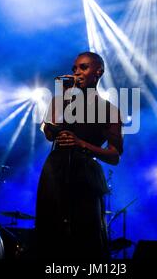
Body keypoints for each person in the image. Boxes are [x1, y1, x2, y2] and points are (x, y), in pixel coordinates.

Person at [36, 51, 123, 260]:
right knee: (50, 232)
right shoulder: (60, 102)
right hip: (54, 171)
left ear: (98, 72)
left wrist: (81, 144)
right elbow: (49, 134)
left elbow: (114, 155)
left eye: (83, 67)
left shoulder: (109, 110)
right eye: (74, 68)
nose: (77, 72)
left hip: (85, 173)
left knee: (85, 236)